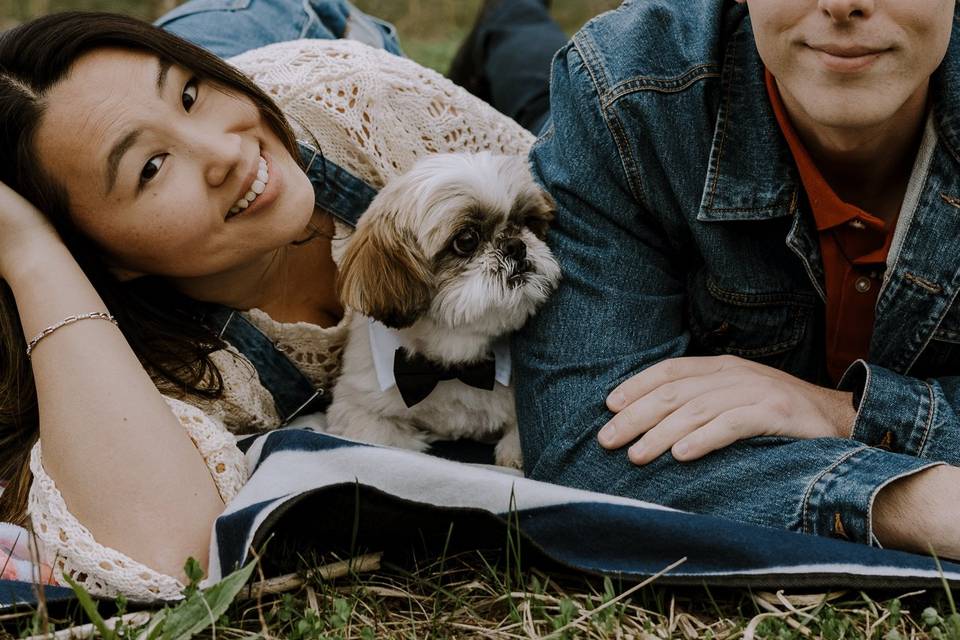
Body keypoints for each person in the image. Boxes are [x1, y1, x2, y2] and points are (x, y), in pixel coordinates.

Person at [0, 0, 534, 599]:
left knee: (535, 83)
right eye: (150, 168)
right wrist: (30, 250)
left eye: (189, 94)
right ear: (102, 259)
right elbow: (170, 557)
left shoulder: (362, 100)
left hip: (275, 24)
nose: (225, 154)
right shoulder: (162, 369)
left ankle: (504, 21)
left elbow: (588, 219)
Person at [497, 0, 960, 561]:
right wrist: (915, 500)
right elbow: (583, 446)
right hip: (579, 141)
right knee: (520, 81)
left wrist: (842, 413)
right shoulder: (627, 90)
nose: (842, 4)